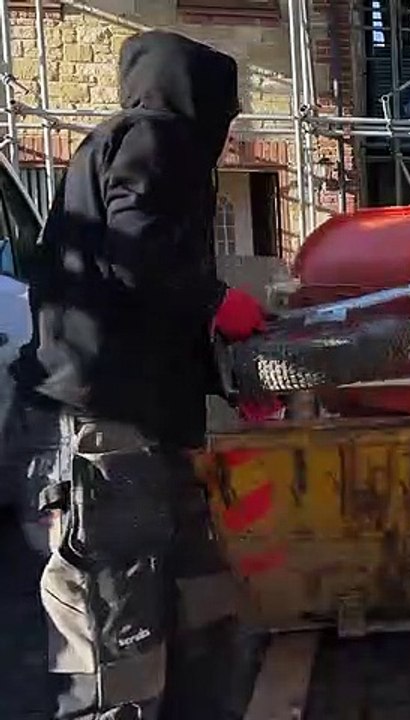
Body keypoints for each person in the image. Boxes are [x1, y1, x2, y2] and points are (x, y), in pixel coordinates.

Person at [6, 29, 267, 719]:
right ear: (196, 100)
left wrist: (228, 380)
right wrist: (218, 301)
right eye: (226, 112)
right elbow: (135, 250)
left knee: (202, 621)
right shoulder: (156, 137)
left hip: (142, 435)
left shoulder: (126, 149)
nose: (228, 126)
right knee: (116, 652)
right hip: (103, 438)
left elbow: (141, 311)